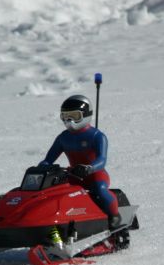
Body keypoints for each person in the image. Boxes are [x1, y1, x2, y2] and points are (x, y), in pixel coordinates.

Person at [39, 95, 120, 227]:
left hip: (95, 175)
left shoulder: (97, 136)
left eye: (75, 116)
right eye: (65, 116)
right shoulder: (63, 137)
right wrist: (43, 167)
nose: (69, 120)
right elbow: (49, 159)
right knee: (55, 192)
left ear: (86, 115)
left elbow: (102, 160)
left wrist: (89, 168)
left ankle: (114, 215)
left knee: (100, 189)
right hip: (73, 175)